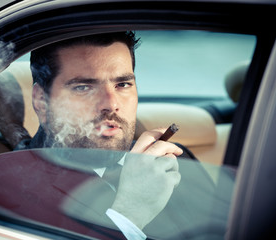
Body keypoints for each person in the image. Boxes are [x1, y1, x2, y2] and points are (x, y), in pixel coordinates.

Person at [17, 31, 186, 238]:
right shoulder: (9, 189)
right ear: (42, 102)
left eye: (122, 85)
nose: (111, 104)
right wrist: (130, 214)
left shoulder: (172, 162)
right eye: (83, 87)